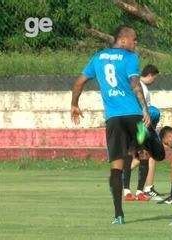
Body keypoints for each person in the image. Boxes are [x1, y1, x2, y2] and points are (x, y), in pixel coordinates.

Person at [70, 25, 164, 225]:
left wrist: (74, 104)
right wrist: (146, 110)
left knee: (116, 167)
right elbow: (135, 84)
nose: (136, 42)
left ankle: (118, 215)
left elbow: (79, 83)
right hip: (133, 117)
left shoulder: (97, 58)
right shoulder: (130, 58)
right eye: (134, 39)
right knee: (157, 152)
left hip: (113, 120)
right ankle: (147, 139)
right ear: (122, 40)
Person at [122, 64, 164, 202]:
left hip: (140, 125)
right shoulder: (139, 87)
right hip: (138, 126)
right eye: (155, 78)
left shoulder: (139, 86)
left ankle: (140, 191)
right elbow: (141, 109)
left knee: (144, 155)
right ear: (150, 75)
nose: (154, 81)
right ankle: (127, 189)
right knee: (138, 154)